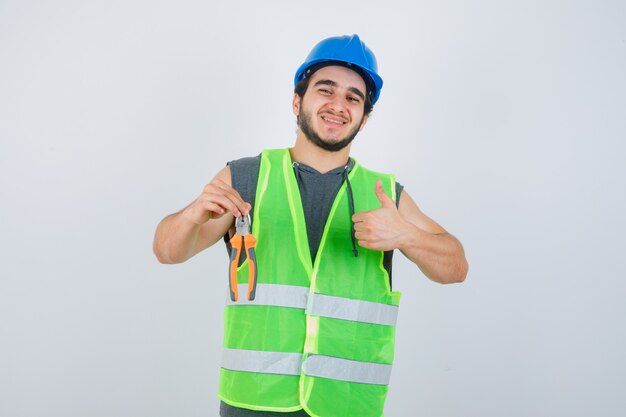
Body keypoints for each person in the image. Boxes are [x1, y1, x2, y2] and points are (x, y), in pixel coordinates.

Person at [153, 34, 468, 417]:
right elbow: (167, 251)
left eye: (354, 98)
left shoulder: (384, 193)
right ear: (297, 101)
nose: (339, 105)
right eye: (326, 90)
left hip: (346, 407)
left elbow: (456, 268)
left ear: (364, 118)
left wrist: (407, 235)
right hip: (253, 403)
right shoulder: (247, 177)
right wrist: (191, 215)